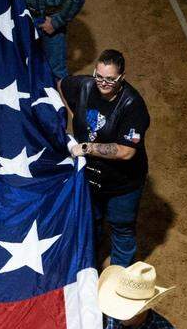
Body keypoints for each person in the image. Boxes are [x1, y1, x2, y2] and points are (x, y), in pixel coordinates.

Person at [62, 49, 150, 267]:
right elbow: (62, 85)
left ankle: (116, 283)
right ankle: (89, 271)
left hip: (123, 183)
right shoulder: (84, 86)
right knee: (91, 222)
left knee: (121, 230)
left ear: (121, 78)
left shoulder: (133, 105)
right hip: (91, 178)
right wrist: (73, 113)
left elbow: (126, 151)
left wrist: (87, 147)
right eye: (99, 76)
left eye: (110, 79)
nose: (103, 83)